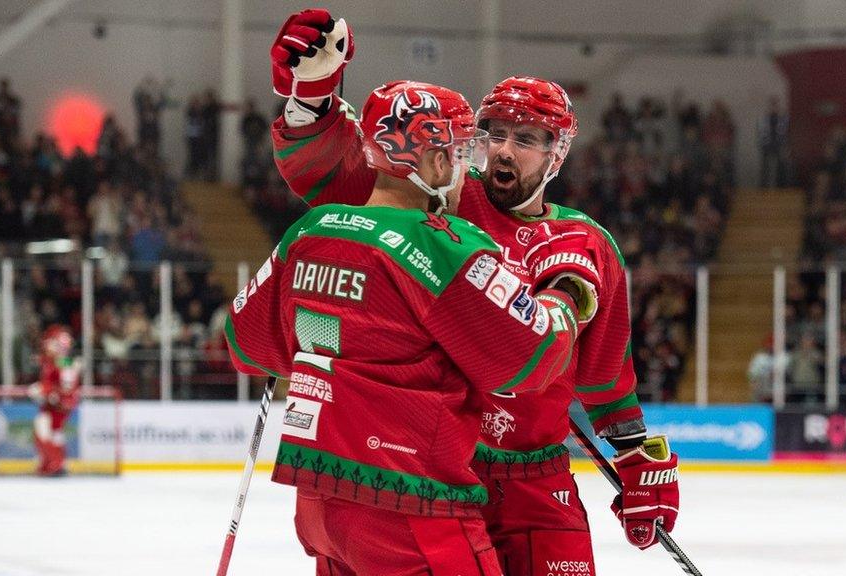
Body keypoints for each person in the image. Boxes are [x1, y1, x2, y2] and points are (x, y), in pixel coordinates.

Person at [267, 9, 681, 574]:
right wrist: (309, 102)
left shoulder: (589, 242)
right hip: (438, 471)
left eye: (528, 139)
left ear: (557, 154)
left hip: (537, 482)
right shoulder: (439, 198)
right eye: (496, 134)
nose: (506, 151)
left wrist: (639, 459)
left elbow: (606, 378)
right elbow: (331, 176)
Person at [227, 79, 590, 575]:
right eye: (461, 153)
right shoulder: (443, 244)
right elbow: (528, 360)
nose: (468, 170)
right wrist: (565, 297)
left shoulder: (310, 230)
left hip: (319, 502)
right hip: (412, 508)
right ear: (436, 162)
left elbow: (247, 345)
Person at [26, 325, 81, 476]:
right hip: (53, 404)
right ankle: (53, 463)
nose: (46, 345)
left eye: (50, 342)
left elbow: (65, 387)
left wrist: (44, 390)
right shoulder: (54, 360)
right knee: (52, 433)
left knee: (47, 431)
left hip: (58, 405)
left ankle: (55, 463)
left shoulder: (63, 362)